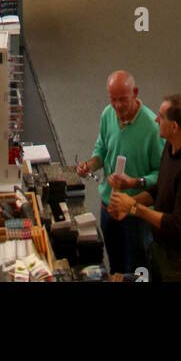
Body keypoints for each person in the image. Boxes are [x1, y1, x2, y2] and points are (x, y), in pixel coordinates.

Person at [108, 94, 181, 283]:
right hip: (161, 249)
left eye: (161, 117)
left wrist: (133, 208)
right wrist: (130, 203)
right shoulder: (171, 146)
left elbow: (176, 225)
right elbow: (160, 189)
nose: (156, 119)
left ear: (174, 127)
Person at [76, 72, 165, 277]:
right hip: (109, 206)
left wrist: (134, 182)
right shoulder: (108, 114)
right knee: (115, 265)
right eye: (112, 99)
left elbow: (162, 175)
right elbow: (102, 149)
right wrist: (90, 165)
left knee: (138, 268)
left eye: (122, 100)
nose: (117, 106)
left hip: (136, 212)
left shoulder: (153, 128)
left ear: (135, 93)